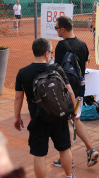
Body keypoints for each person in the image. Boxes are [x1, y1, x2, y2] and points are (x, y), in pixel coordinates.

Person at [14, 38, 76, 178]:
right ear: (47, 53)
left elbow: (18, 98)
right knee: (64, 148)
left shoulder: (23, 72)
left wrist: (17, 117)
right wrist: (72, 112)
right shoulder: (57, 69)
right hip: (58, 116)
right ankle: (69, 176)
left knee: (39, 154)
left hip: (37, 119)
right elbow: (70, 91)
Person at [54, 16, 99, 167]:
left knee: (65, 122)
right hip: (80, 90)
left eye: (57, 28)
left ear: (63, 29)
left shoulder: (61, 46)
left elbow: (58, 70)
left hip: (66, 91)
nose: (56, 31)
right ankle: (91, 149)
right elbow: (84, 66)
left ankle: (67, 159)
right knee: (76, 119)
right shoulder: (83, 44)